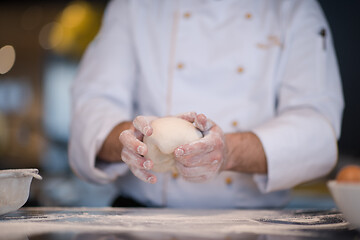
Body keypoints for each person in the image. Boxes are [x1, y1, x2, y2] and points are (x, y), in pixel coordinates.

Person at [69, 0, 344, 208]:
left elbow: (317, 129)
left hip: (253, 225)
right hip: (140, 218)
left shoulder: (293, 7)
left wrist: (229, 152)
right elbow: (92, 109)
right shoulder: (133, 6)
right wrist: (133, 141)